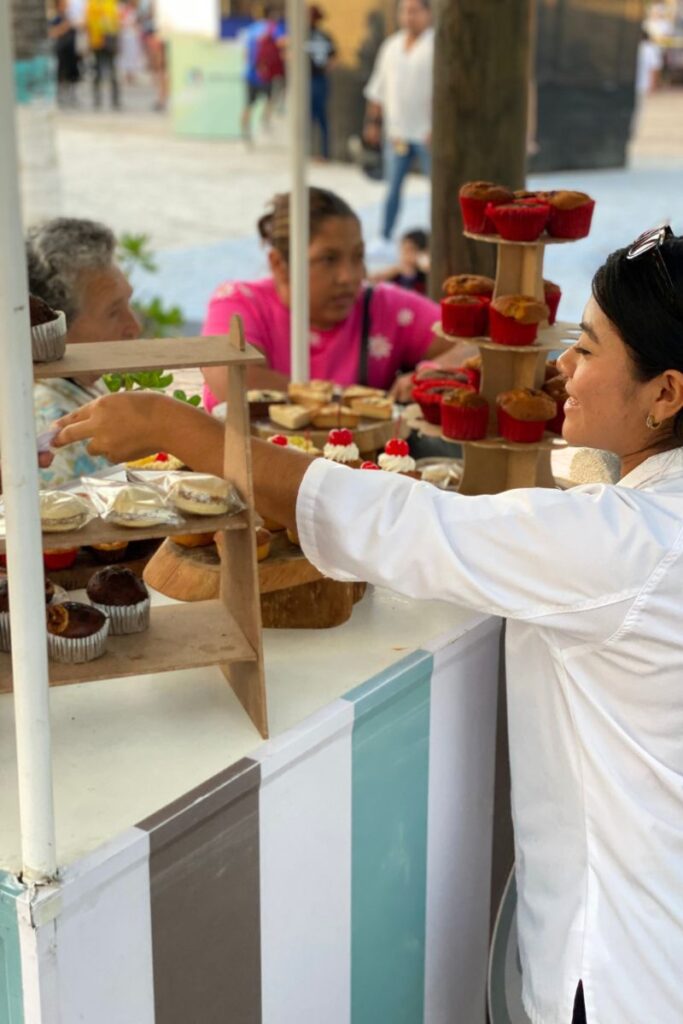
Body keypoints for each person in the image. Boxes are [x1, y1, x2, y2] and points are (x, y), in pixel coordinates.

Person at [54, 226, 683, 1024]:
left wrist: (184, 432)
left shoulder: (623, 545)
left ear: (665, 394)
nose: (561, 366)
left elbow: (394, 520)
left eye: (586, 350)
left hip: (628, 974)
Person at [200, 187, 468, 409]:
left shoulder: (383, 308)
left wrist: (434, 371)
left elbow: (480, 345)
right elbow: (233, 383)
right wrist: (358, 402)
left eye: (358, 256)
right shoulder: (238, 304)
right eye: (329, 259)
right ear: (279, 264)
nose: (349, 277)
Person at [26, 217, 140, 486]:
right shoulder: (50, 422)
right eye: (113, 312)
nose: (134, 327)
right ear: (56, 329)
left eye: (128, 303)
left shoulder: (77, 383)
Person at [362, 0, 433, 259]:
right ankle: (385, 234)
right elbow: (377, 89)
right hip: (397, 132)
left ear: (428, 13)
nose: (409, 17)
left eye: (415, 11)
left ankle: (433, 239)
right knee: (392, 188)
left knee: (436, 190)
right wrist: (373, 122)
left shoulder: (437, 47)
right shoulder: (391, 47)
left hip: (428, 134)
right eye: (405, 11)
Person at [240, 5, 286, 142]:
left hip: (249, 73)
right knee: (272, 98)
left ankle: (245, 132)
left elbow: (245, 53)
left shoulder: (251, 29)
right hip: (266, 74)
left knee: (248, 104)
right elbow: (282, 44)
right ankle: (265, 119)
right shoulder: (273, 28)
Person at [306, 5, 337, 161]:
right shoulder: (325, 36)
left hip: (311, 80)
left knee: (311, 118)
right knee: (321, 118)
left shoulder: (303, 36)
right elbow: (333, 59)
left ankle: (314, 152)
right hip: (320, 79)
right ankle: (322, 153)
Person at [368, 227, 429, 295]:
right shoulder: (395, 274)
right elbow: (371, 280)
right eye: (403, 250)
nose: (405, 256)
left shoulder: (425, 274)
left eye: (409, 250)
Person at [85, 0, 121, 110]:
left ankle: (115, 100)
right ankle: (97, 99)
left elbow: (116, 22)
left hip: (109, 41)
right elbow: (88, 24)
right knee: (97, 72)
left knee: (113, 71)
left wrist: (117, 41)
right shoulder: (92, 3)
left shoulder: (111, 3)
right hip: (97, 42)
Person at [48, 0, 81, 108]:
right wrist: (64, 27)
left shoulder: (69, 17)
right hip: (60, 51)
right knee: (60, 75)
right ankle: (60, 97)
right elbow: (51, 33)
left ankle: (72, 97)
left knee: (72, 75)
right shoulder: (55, 19)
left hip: (71, 51)